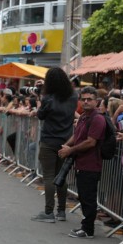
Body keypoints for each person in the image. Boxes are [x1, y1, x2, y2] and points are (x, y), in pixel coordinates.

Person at [31, 67, 78, 223]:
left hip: (49, 140)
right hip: (66, 141)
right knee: (61, 176)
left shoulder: (48, 98)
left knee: (49, 176)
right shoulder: (73, 97)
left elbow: (41, 115)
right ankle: (61, 212)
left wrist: (39, 100)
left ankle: (48, 212)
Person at [58, 86, 106, 238]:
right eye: (83, 99)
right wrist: (67, 145)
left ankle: (88, 230)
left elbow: (91, 142)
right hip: (81, 163)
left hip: (91, 164)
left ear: (96, 101)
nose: (86, 102)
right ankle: (85, 227)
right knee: (84, 196)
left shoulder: (97, 118)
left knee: (88, 198)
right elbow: (77, 135)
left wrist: (70, 150)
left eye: (89, 99)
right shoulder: (84, 117)